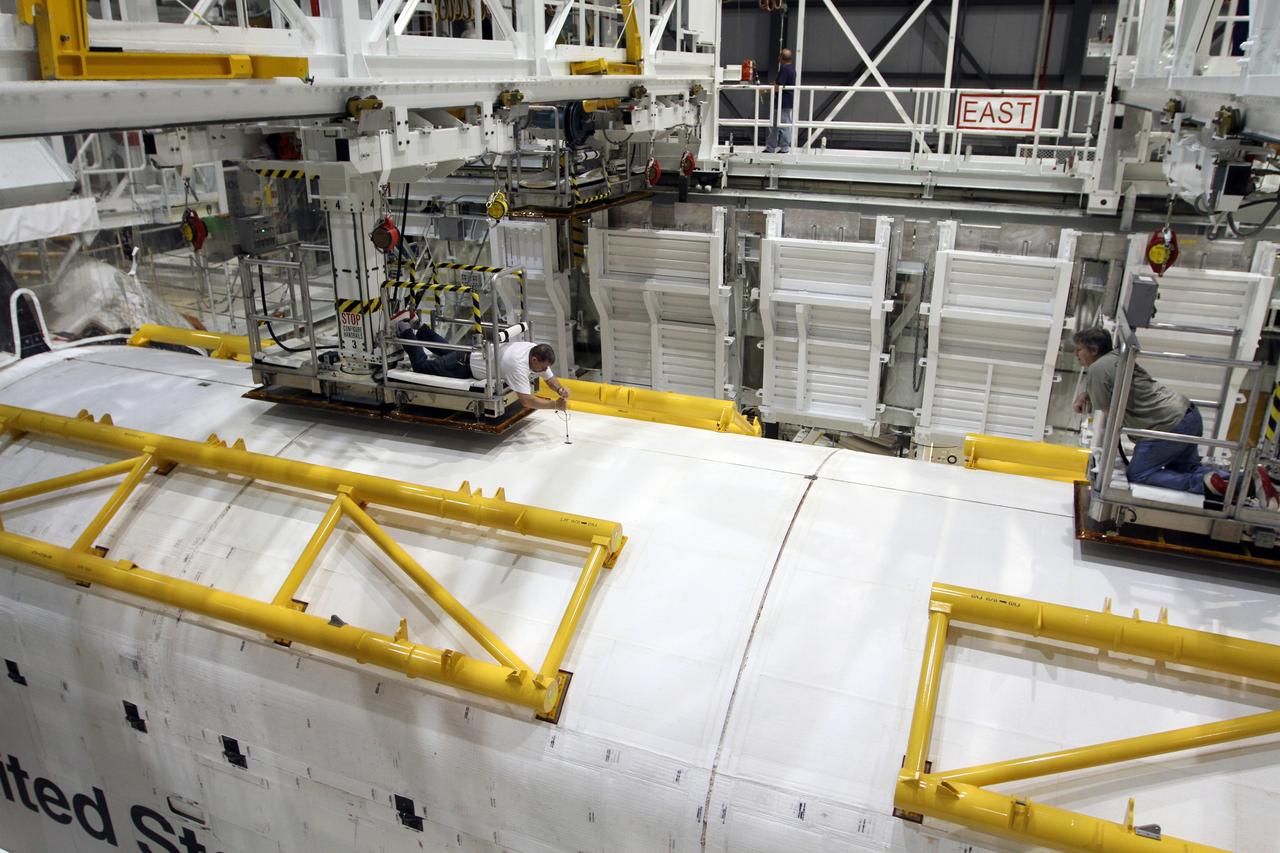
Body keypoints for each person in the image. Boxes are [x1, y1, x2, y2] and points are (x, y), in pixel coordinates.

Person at [1071, 328, 1278, 503]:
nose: (1075, 354)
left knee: (1139, 474)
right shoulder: (1118, 357)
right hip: (1188, 415)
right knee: (1185, 468)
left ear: (1094, 350)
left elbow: (1112, 417)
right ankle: (1248, 480)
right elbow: (1113, 386)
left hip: (1164, 426)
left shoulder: (1096, 369)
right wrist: (1085, 394)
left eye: (1079, 349)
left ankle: (1202, 484)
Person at [396, 317, 569, 412]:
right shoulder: (516, 365)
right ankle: (405, 330)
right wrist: (555, 405)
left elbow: (549, 378)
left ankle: (418, 325)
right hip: (463, 365)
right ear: (534, 360)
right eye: (543, 367)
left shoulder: (532, 348)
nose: (545, 370)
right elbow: (527, 401)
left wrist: (560, 389)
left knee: (447, 350)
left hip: (470, 354)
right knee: (422, 367)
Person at [762, 49, 796, 154]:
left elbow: (779, 86)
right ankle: (772, 147)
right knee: (777, 125)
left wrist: (766, 89)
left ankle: (782, 147)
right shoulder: (792, 69)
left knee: (781, 125)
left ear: (781, 58)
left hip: (782, 102)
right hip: (787, 101)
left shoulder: (784, 69)